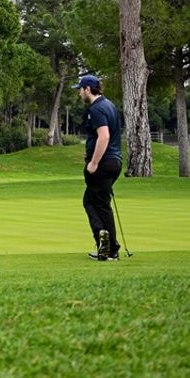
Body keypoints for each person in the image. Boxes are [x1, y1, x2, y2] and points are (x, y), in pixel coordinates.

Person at [75, 74, 121, 260]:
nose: (79, 93)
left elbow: (104, 136)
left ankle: (108, 246)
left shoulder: (96, 109)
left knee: (96, 203)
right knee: (96, 201)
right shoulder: (109, 105)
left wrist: (93, 163)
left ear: (87, 89)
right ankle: (107, 245)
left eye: (80, 89)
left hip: (103, 162)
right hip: (114, 161)